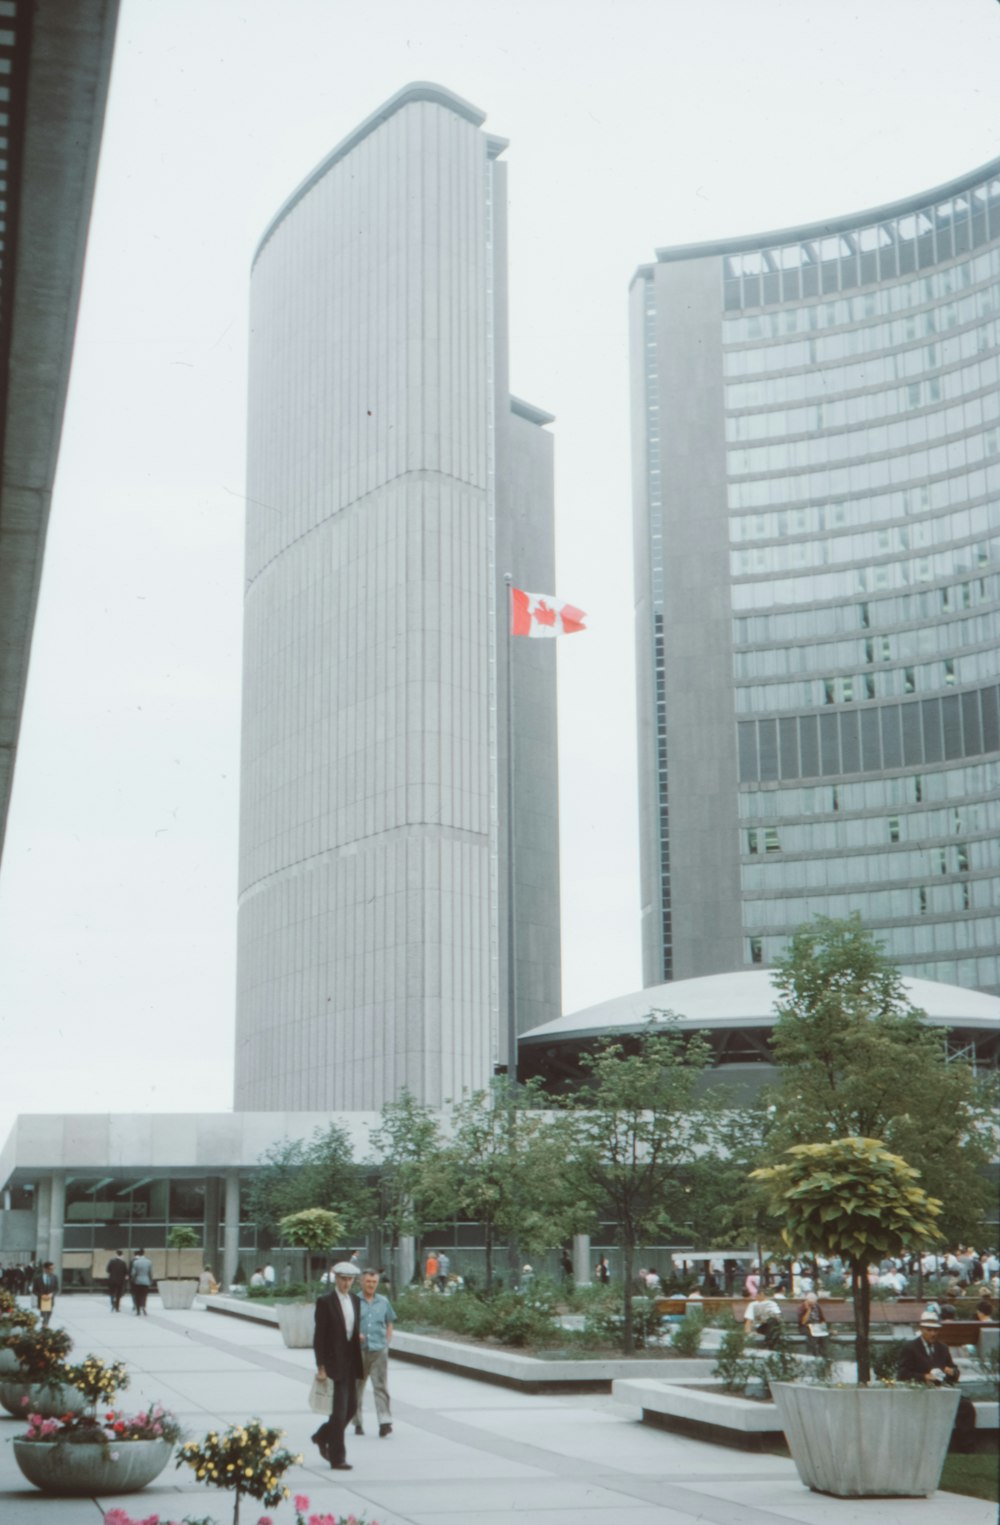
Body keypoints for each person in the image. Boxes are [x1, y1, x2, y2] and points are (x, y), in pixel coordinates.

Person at [897, 1310, 976, 1452]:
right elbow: (902, 1373)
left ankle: (966, 1448)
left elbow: (954, 1372)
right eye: (929, 1330)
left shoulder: (942, 1348)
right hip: (922, 1391)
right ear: (921, 1330)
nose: (933, 1334)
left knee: (966, 1407)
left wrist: (952, 1372)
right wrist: (923, 1377)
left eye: (935, 1330)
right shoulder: (910, 1348)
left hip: (943, 1389)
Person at [311, 1260, 363, 1470]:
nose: (347, 1283)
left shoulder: (355, 1301)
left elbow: (349, 1329)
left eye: (350, 1280)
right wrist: (321, 1366)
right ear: (336, 1279)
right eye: (343, 1279)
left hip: (351, 1362)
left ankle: (322, 1435)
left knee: (351, 1407)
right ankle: (337, 1457)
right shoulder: (325, 1302)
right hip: (334, 1364)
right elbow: (319, 1337)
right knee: (339, 1411)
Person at [354, 1266, 396, 1438]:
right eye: (368, 1282)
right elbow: (347, 1324)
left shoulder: (383, 1301)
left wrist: (386, 1342)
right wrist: (356, 1335)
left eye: (374, 1282)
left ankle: (384, 1422)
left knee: (380, 1387)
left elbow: (390, 1322)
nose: (371, 1285)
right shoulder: (354, 1301)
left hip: (379, 1349)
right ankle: (357, 1422)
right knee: (357, 1387)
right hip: (358, 1351)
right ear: (362, 1282)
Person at [797, 1290, 828, 1355]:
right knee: (812, 1335)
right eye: (811, 1303)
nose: (813, 1305)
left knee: (824, 1336)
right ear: (807, 1301)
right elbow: (803, 1322)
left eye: (814, 1303)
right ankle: (812, 1354)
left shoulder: (817, 1306)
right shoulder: (802, 1307)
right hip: (806, 1327)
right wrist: (808, 1310)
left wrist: (825, 1328)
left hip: (817, 1326)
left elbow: (822, 1319)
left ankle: (823, 1355)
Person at [32, 1261, 59, 1327]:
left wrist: (52, 1294)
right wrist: (41, 1295)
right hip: (41, 1300)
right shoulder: (38, 1278)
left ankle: (45, 1325)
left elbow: (56, 1289)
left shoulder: (54, 1277)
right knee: (43, 1315)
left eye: (53, 1268)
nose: (52, 1270)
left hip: (50, 1299)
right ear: (45, 1269)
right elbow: (34, 1290)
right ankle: (45, 1326)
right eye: (50, 1269)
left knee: (49, 1313)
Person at [130, 1248, 153, 1315]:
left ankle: (138, 1310)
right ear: (144, 1253)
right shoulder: (149, 1262)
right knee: (144, 1295)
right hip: (146, 1281)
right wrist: (151, 1280)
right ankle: (143, 1307)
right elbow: (150, 1273)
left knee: (137, 1295)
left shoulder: (135, 1262)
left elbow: (133, 1273)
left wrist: (133, 1280)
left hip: (138, 1281)